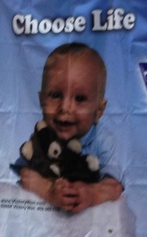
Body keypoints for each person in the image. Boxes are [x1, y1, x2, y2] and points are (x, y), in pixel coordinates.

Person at [14, 42, 125, 213]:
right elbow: (25, 173)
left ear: (98, 111)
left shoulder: (103, 141)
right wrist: (48, 190)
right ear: (41, 100)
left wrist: (91, 193)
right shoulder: (43, 137)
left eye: (80, 98)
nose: (65, 107)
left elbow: (115, 187)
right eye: (56, 95)